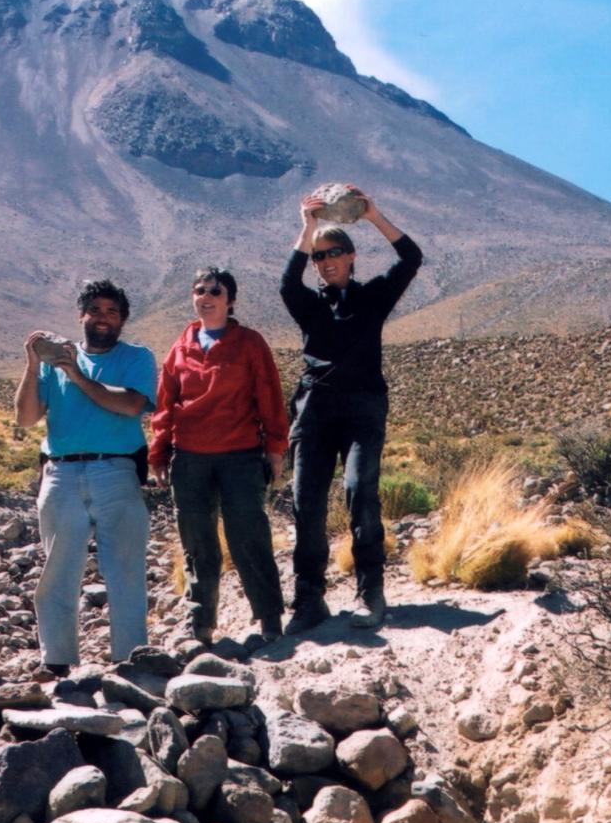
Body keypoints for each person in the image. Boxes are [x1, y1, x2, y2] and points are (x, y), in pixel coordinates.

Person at [279, 186, 422, 632]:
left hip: (362, 409)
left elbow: (411, 259)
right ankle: (308, 598)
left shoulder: (373, 298)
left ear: (352, 255)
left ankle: (370, 592)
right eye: (319, 257)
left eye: (335, 252)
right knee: (307, 503)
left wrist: (374, 214)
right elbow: (287, 283)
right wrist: (309, 228)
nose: (326, 261)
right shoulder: (309, 306)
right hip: (316, 410)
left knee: (360, 493)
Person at [15, 279, 157, 678]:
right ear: (81, 315)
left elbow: (130, 405)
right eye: (95, 310)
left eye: (112, 312)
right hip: (60, 471)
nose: (102, 318)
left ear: (123, 320)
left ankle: (130, 659)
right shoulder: (55, 362)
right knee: (58, 567)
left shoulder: (136, 358)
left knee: (126, 566)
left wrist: (77, 375)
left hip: (116, 470)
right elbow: (26, 417)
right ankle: (57, 660)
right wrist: (33, 364)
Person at [149, 267, 290, 645]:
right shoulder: (181, 347)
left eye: (215, 291)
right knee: (197, 542)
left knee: (249, 536)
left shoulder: (249, 343)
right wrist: (159, 452)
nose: (206, 297)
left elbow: (270, 398)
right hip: (190, 458)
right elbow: (166, 404)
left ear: (230, 300)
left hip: (240, 456)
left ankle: (270, 620)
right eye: (200, 290)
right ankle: (201, 624)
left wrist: (275, 449)